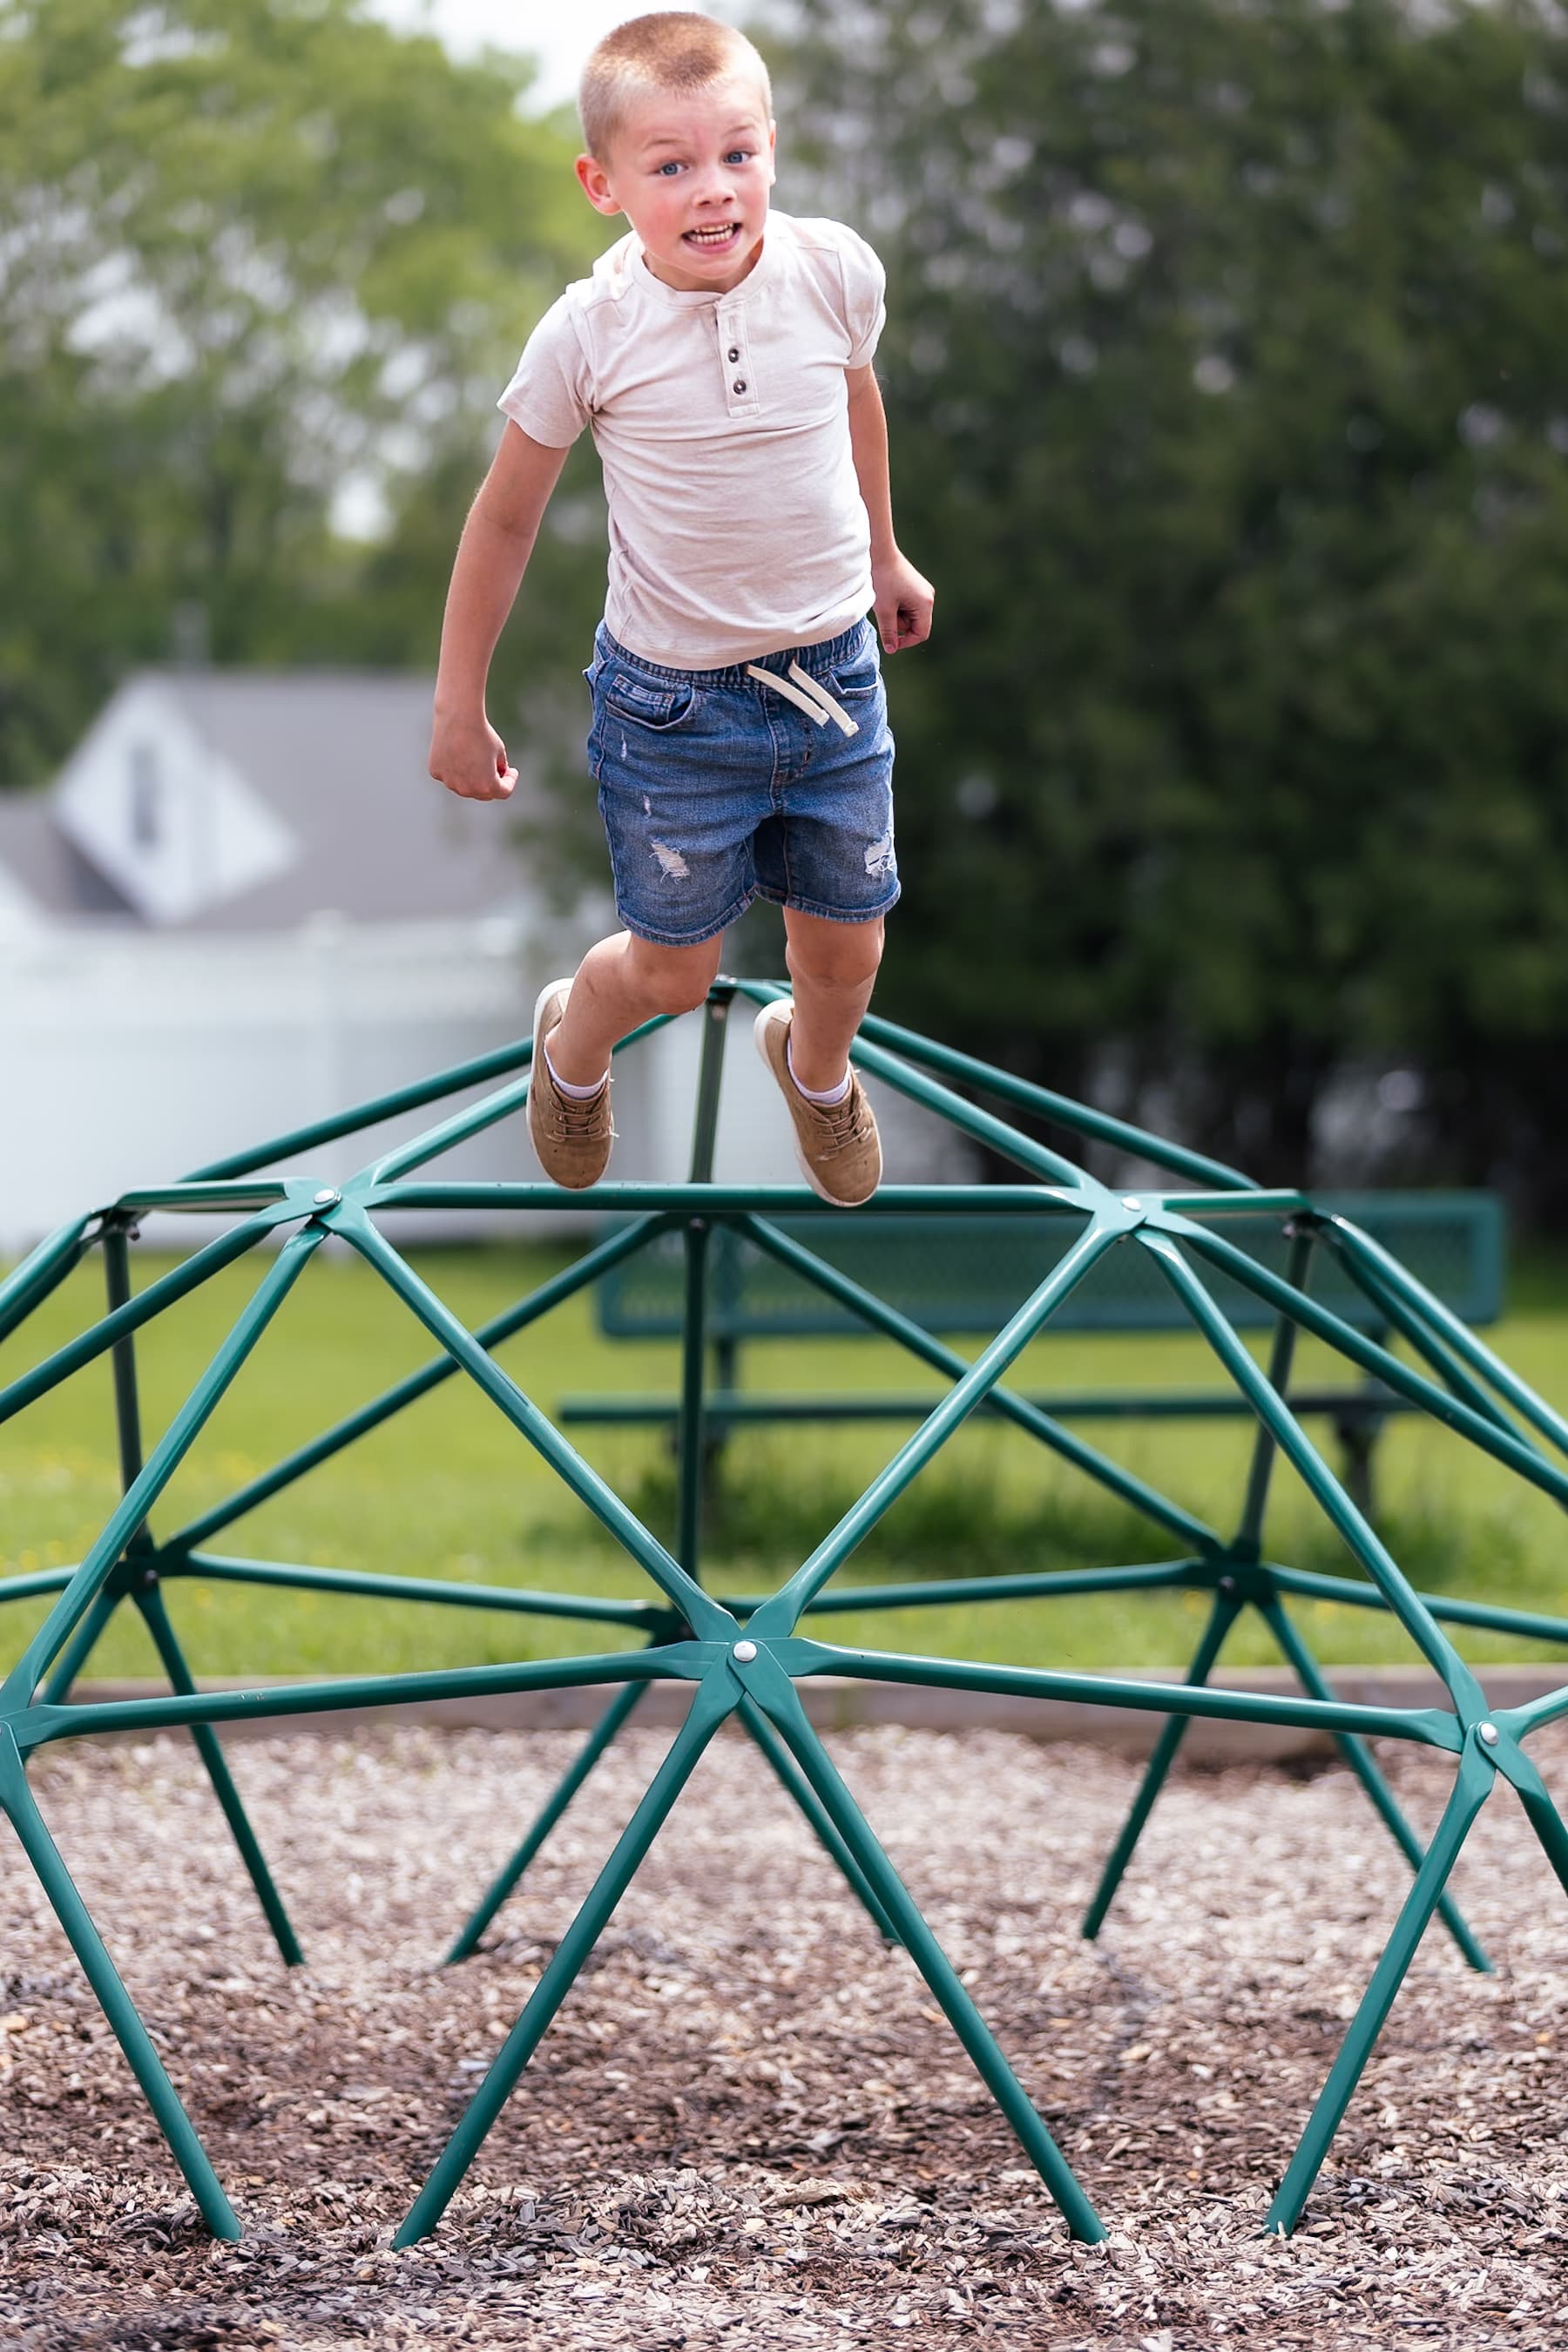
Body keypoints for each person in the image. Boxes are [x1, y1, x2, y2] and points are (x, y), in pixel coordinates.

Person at [428, 10, 934, 1204]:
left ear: (774, 149)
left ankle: (815, 1080)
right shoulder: (588, 334)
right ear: (603, 185)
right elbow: (502, 519)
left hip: (831, 677)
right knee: (670, 971)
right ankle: (572, 1047)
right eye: (672, 167)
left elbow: (855, 405)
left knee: (846, 944)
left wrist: (885, 554)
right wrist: (460, 702)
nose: (714, 192)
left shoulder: (832, 272)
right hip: (672, 708)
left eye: (738, 155)